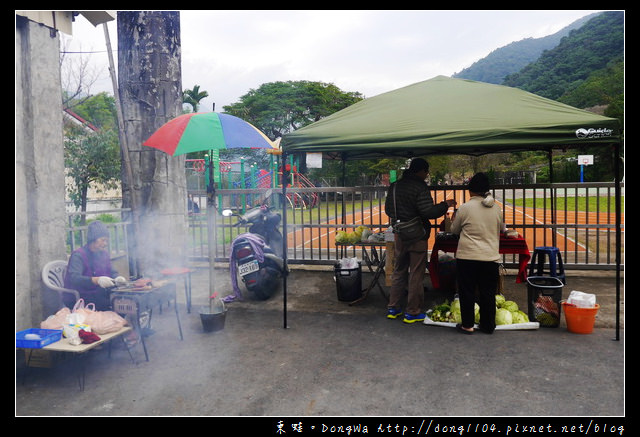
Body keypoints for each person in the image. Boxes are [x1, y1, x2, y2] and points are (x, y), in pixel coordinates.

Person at [384, 158, 456, 323]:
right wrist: (445, 205)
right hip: (417, 235)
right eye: (426, 172)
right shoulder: (419, 186)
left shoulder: (395, 186)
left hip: (399, 233)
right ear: (421, 171)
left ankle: (393, 307)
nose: (426, 175)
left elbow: (388, 209)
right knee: (415, 273)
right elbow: (428, 211)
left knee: (399, 270)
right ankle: (413, 311)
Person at [450, 173, 503, 334]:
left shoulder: (465, 208)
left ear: (470, 190)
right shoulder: (496, 208)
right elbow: (501, 229)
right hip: (490, 257)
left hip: (468, 257)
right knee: (488, 292)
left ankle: (468, 325)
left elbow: (454, 230)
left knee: (467, 291)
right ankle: (488, 325)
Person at [64, 220, 126, 311]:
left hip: (98, 293)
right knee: (112, 304)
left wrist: (117, 277)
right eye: (103, 240)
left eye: (107, 241)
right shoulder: (78, 255)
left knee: (122, 298)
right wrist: (96, 280)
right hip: (80, 297)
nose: (105, 244)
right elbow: (74, 278)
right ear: (93, 239)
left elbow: (111, 271)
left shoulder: (103, 254)